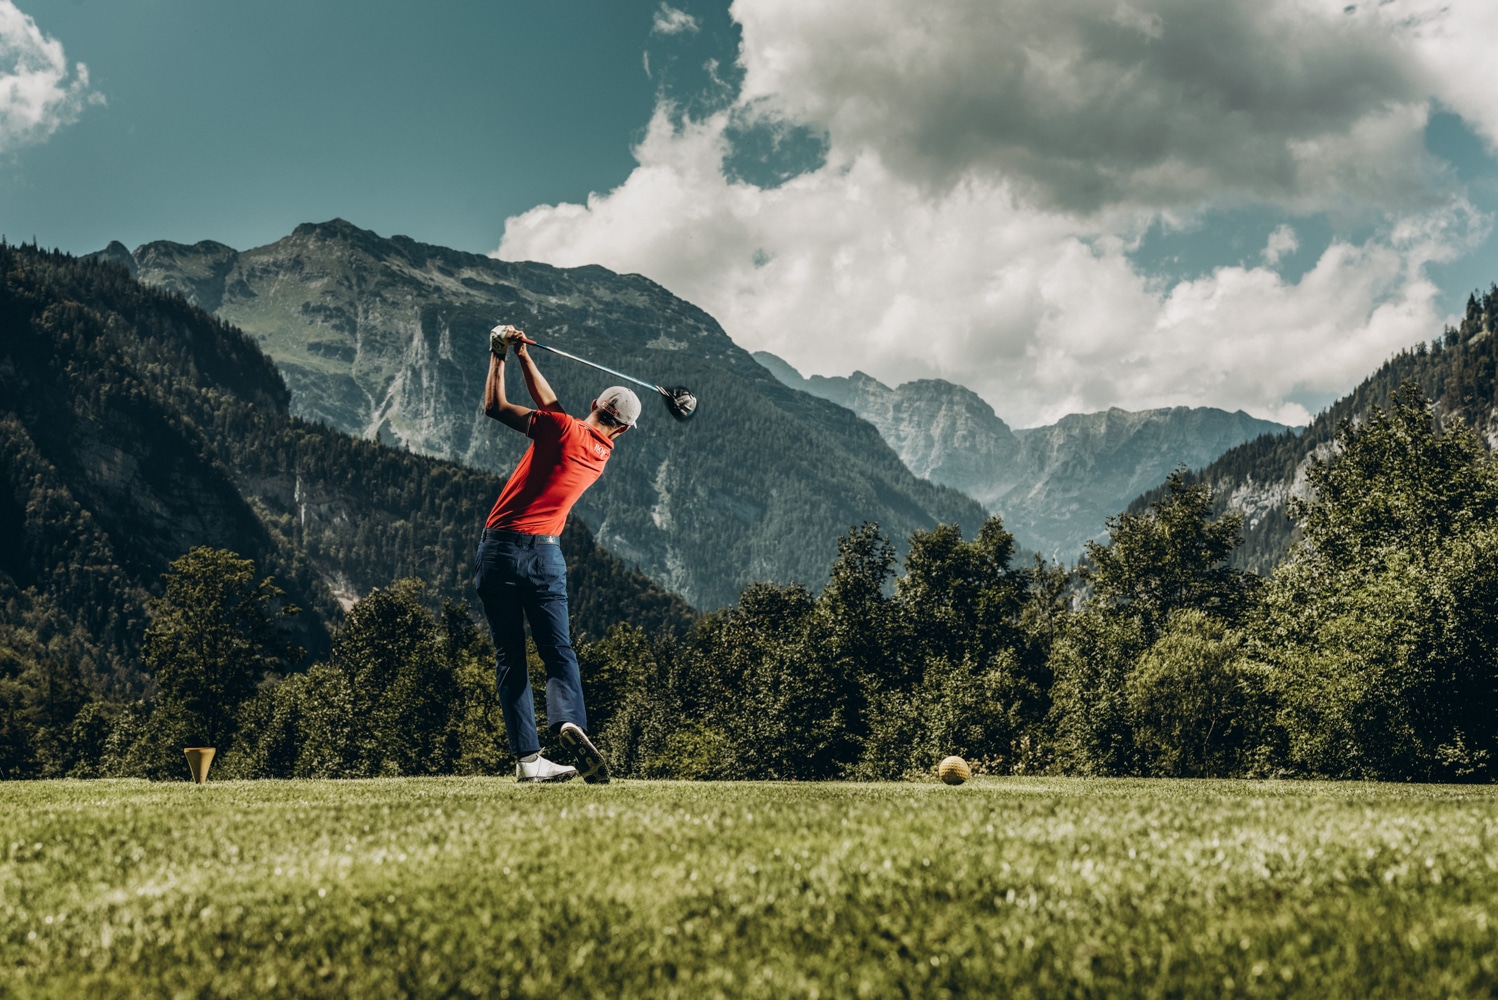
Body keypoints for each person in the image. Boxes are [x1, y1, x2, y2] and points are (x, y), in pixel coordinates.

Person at [473, 324, 640, 783]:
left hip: (500, 550)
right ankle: (570, 722)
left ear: (594, 405)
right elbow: (555, 411)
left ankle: (529, 762)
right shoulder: (601, 453)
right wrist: (525, 357)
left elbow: (495, 407)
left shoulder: (559, 428)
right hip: (546, 559)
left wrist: (501, 354)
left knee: (511, 656)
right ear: (622, 429)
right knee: (559, 651)